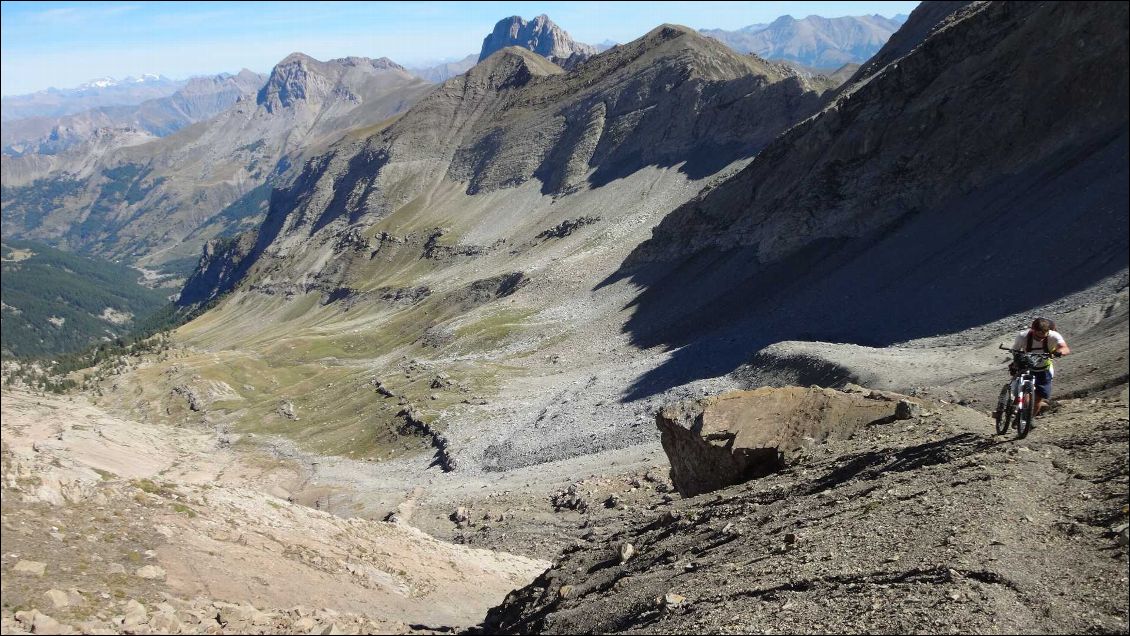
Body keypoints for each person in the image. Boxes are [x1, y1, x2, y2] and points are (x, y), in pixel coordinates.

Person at [1010, 317, 1070, 417]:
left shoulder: (1054, 336)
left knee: (1038, 398)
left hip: (1044, 369)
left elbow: (1065, 348)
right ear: (1033, 330)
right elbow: (1015, 350)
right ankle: (1016, 405)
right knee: (1024, 392)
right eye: (1037, 336)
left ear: (1048, 331)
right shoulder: (1023, 336)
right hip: (1027, 366)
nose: (1040, 338)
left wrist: (1059, 352)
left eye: (1043, 336)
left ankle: (1028, 419)